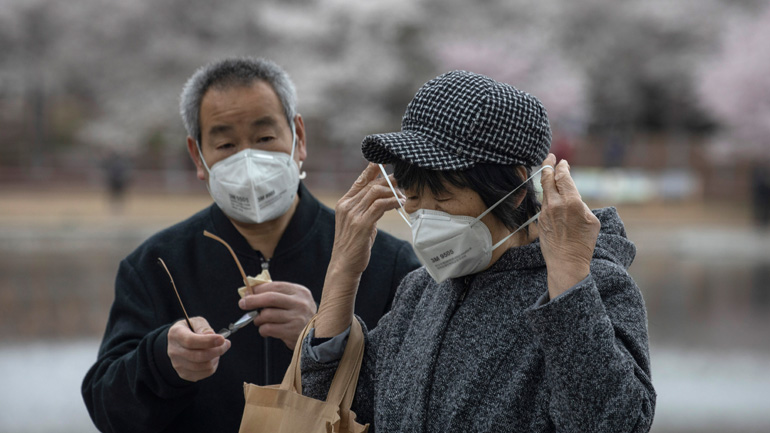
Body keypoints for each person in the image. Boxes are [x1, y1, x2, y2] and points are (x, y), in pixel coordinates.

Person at [301, 71, 656, 432]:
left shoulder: (595, 287)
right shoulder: (420, 291)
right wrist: (342, 273)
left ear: (516, 189)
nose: (423, 215)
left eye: (442, 196)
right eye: (412, 195)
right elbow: (338, 411)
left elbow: (613, 423)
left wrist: (569, 281)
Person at [81, 57, 420, 433]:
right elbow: (109, 413)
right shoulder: (156, 265)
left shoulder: (383, 261)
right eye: (225, 143)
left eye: (264, 138)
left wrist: (326, 339)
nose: (248, 160)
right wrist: (162, 362)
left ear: (299, 137)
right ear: (197, 156)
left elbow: (416, 406)